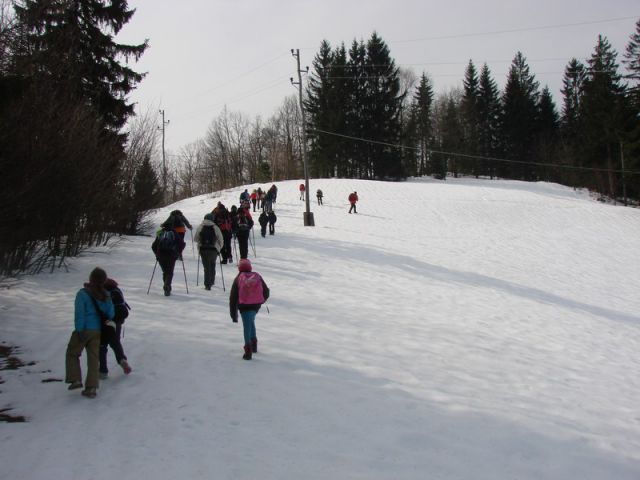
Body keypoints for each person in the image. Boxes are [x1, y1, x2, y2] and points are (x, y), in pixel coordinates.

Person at [66, 267, 114, 398]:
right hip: (97, 330)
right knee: (93, 358)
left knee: (72, 353)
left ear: (91, 278)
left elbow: (80, 313)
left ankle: (75, 379)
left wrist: (79, 329)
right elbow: (111, 313)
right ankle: (92, 388)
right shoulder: (106, 295)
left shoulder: (83, 294)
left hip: (84, 328)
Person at [229, 259, 270, 360]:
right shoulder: (257, 276)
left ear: (239, 268)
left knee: (246, 327)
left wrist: (233, 315)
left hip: (244, 306)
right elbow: (266, 291)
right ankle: (254, 345)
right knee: (251, 322)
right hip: (255, 305)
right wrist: (260, 301)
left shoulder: (238, 278)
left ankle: (248, 351)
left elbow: (233, 298)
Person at [99, 278, 132, 379]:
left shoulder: (101, 292)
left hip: (105, 321)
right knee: (115, 342)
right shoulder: (116, 290)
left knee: (102, 345)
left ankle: (103, 371)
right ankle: (122, 360)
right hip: (117, 320)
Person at [151, 222, 186, 296]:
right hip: (171, 255)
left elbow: (153, 246)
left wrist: (157, 254)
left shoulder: (160, 233)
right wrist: (178, 253)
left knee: (165, 272)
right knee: (169, 272)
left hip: (161, 255)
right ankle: (167, 286)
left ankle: (166, 286)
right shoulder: (174, 233)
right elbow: (181, 244)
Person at [195, 213, 223, 290]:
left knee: (206, 267)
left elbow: (196, 239)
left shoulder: (201, 227)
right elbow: (221, 239)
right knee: (212, 264)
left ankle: (207, 284)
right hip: (213, 249)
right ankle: (212, 281)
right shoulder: (215, 227)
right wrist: (219, 248)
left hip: (203, 249)